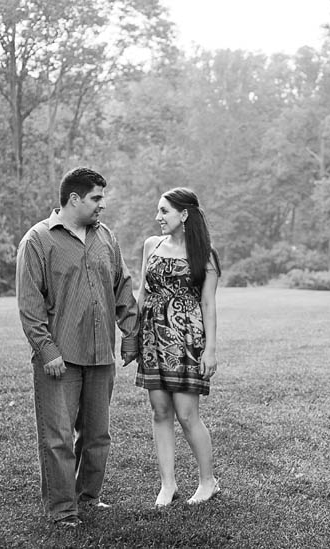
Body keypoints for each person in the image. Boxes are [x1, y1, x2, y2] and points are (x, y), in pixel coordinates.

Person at [16, 167, 139, 527]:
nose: (103, 205)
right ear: (74, 199)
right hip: (60, 359)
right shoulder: (37, 240)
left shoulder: (106, 238)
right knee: (57, 438)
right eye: (96, 198)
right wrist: (47, 350)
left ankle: (89, 497)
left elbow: (122, 286)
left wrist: (130, 333)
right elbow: (29, 304)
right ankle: (62, 509)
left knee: (97, 435)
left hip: (101, 354)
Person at [135, 187, 221, 507]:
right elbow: (142, 293)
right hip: (153, 338)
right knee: (160, 412)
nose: (158, 217)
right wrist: (133, 336)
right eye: (158, 211)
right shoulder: (151, 246)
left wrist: (210, 350)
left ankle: (207, 481)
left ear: (184, 215)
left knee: (186, 415)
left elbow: (208, 304)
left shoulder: (205, 255)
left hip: (187, 341)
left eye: (164, 211)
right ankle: (167, 484)